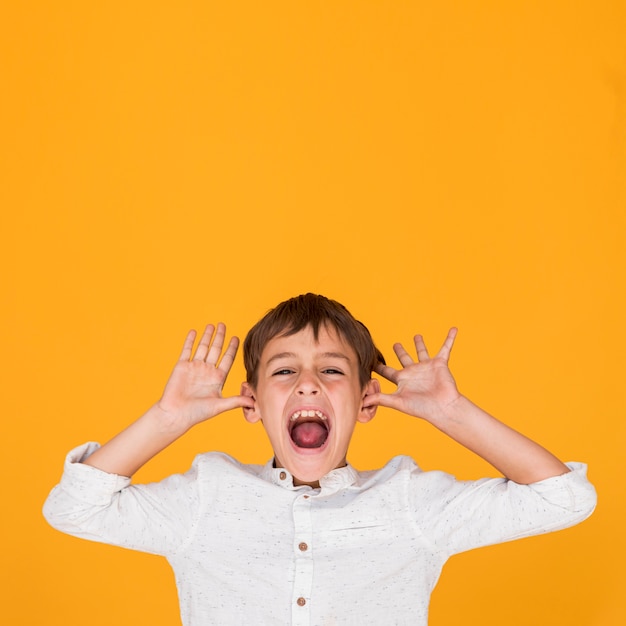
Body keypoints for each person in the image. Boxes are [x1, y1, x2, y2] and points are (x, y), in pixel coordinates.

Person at [43, 293, 596, 625]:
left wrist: (451, 413)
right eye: (285, 370)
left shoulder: (411, 503)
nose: (308, 384)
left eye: (331, 370)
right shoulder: (207, 498)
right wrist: (167, 419)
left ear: (365, 401)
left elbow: (564, 499)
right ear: (252, 402)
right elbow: (73, 509)